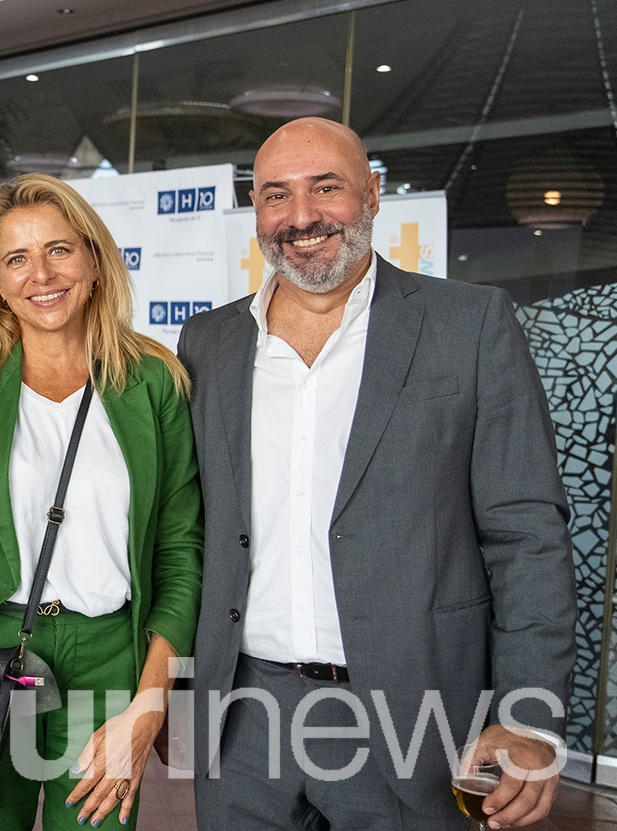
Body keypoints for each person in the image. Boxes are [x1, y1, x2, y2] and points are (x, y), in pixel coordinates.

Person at [177, 118, 576, 831]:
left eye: (325, 187)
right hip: (242, 719)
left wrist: (530, 716)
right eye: (276, 195)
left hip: (414, 719)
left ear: (372, 193)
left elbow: (527, 534)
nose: (301, 217)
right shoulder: (208, 341)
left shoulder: (470, 324)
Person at [0, 173, 204, 830]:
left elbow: (180, 549)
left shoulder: (153, 379)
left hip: (110, 658)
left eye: (59, 249)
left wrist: (150, 704)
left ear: (93, 258)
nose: (41, 273)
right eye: (17, 258)